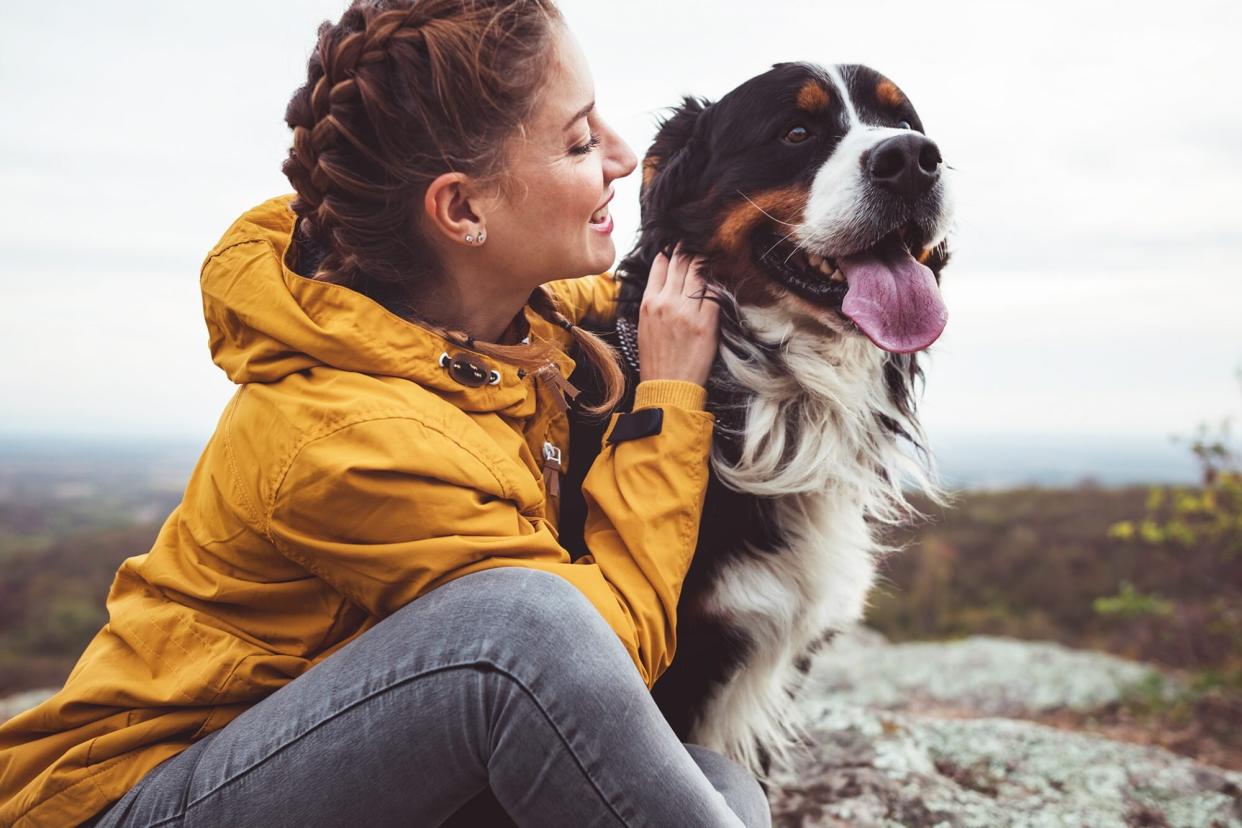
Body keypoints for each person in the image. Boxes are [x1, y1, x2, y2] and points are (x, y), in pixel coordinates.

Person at [0, 1, 772, 825]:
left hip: (314, 762)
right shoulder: (351, 439)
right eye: (580, 141)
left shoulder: (469, 321)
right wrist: (668, 402)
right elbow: (591, 669)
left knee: (712, 790)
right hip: (137, 805)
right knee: (522, 627)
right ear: (463, 212)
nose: (622, 157)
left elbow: (592, 296)